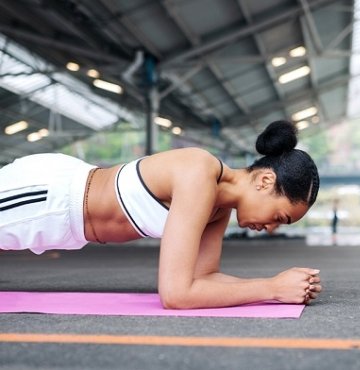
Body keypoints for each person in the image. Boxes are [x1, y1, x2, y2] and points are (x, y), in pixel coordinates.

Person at [0, 120, 322, 309]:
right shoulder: (199, 172)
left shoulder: (219, 209)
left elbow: (204, 279)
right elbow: (176, 293)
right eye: (279, 217)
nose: (270, 228)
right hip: (50, 197)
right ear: (265, 180)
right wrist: (271, 289)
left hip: (65, 220)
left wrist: (275, 285)